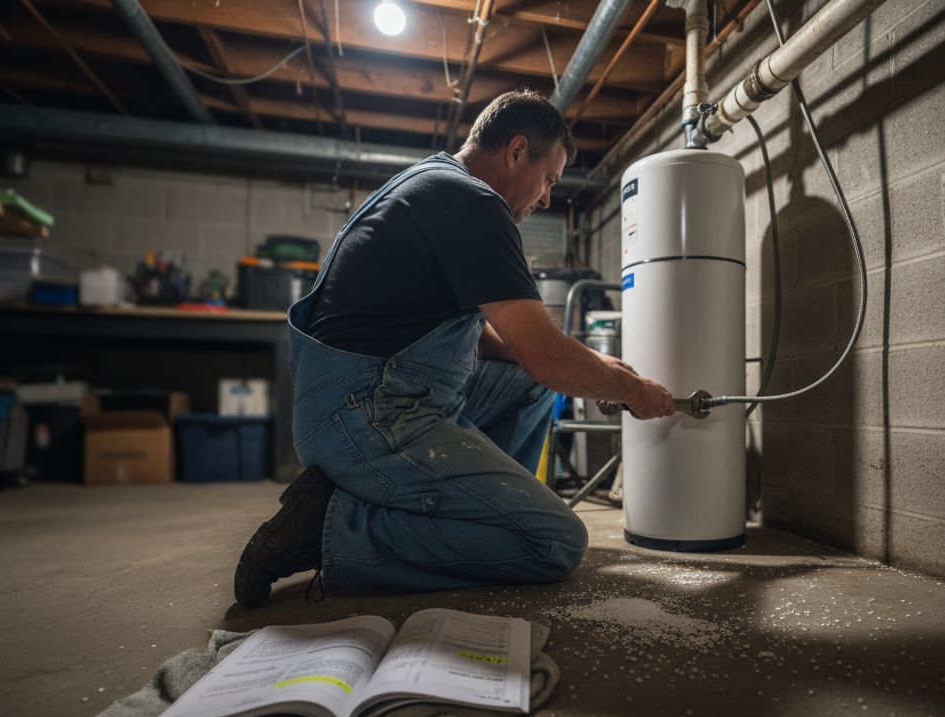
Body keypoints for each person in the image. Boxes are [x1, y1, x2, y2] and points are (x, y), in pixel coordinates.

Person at [233, 89, 674, 608]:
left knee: (527, 384)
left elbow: (493, 343)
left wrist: (594, 364)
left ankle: (477, 511)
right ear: (516, 152)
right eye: (549, 179)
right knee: (554, 542)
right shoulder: (473, 205)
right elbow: (546, 357)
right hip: (365, 413)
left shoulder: (437, 185)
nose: (547, 198)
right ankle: (333, 527)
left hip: (371, 395)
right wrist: (633, 390)